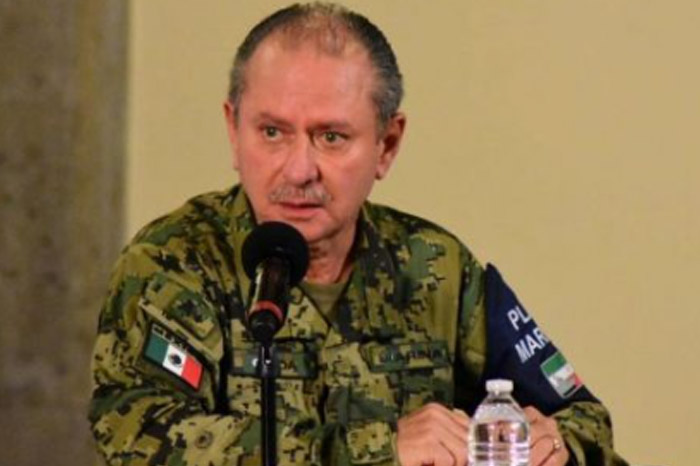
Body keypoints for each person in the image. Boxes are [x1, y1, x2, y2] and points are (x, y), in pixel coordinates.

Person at [88, 3, 628, 465]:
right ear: (233, 130)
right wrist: (378, 451)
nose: (298, 169)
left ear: (386, 146)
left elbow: (583, 418)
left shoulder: (436, 268)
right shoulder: (174, 261)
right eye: (272, 132)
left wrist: (552, 446)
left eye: (330, 137)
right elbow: (140, 435)